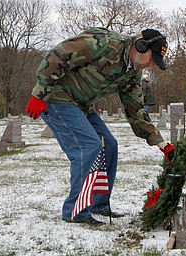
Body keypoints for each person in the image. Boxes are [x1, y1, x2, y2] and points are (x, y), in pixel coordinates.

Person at [25, 27, 176, 226]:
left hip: (82, 105)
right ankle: (75, 211)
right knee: (89, 146)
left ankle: (98, 203)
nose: (151, 64)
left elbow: (136, 111)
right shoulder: (104, 43)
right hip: (57, 97)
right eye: (151, 58)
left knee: (109, 145)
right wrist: (39, 94)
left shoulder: (132, 75)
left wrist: (162, 144)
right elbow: (58, 54)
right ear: (141, 46)